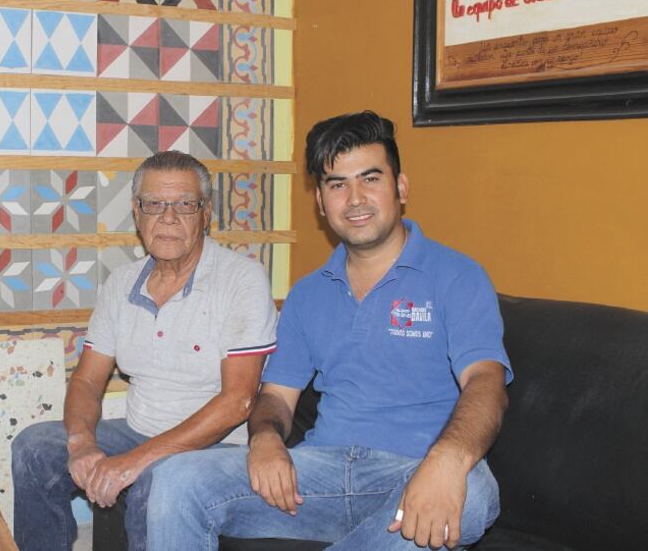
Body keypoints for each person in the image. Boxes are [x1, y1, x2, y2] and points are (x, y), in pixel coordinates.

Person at [147, 111, 513, 550]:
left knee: (473, 493)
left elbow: (486, 381)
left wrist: (446, 462)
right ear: (321, 202)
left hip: (414, 470)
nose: (355, 198)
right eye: (337, 184)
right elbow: (277, 398)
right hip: (318, 475)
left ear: (400, 188)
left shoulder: (456, 276)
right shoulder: (307, 295)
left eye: (370, 179)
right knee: (173, 477)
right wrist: (263, 438)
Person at [11, 151, 278, 551]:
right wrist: (83, 443)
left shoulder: (242, 279)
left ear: (206, 214)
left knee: (153, 488)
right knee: (34, 449)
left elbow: (238, 402)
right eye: (154, 204)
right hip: (137, 431)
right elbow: (86, 379)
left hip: (215, 449)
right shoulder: (121, 283)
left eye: (185, 205)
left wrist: (135, 462)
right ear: (137, 214)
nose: (168, 218)